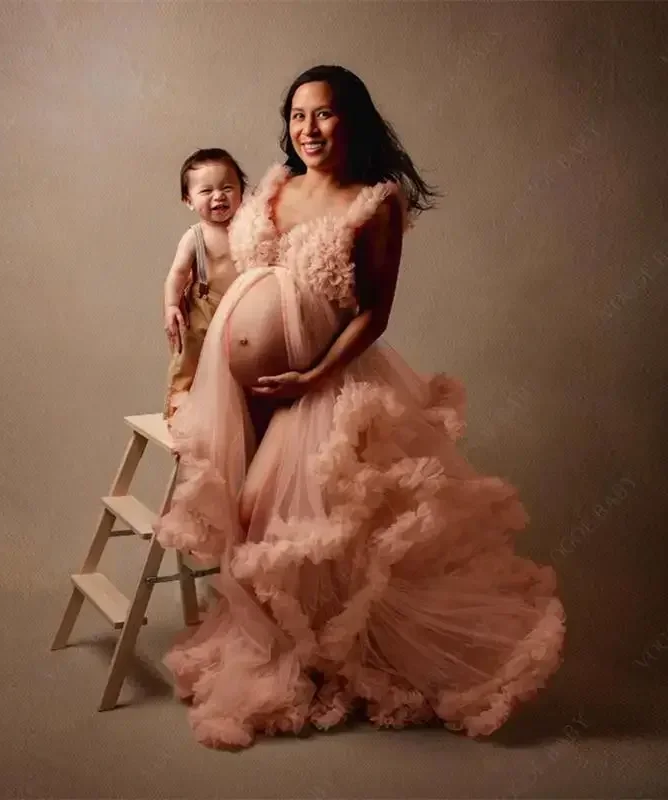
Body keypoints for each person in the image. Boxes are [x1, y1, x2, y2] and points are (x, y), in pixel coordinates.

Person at [153, 65, 566, 750]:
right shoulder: (277, 184)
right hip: (238, 392)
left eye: (323, 115)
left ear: (353, 120)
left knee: (298, 522)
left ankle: (325, 660)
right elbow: (227, 257)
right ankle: (301, 646)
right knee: (253, 515)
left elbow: (373, 314)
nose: (307, 129)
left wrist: (310, 373)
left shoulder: (376, 205)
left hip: (320, 386)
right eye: (296, 116)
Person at [162, 148, 247, 421]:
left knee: (239, 364)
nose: (218, 196)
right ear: (188, 200)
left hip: (240, 310)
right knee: (189, 359)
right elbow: (176, 274)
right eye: (206, 191)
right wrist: (171, 305)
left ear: (242, 192)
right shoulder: (195, 237)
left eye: (227, 187)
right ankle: (180, 406)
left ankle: (236, 412)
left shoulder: (248, 229)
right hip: (203, 309)